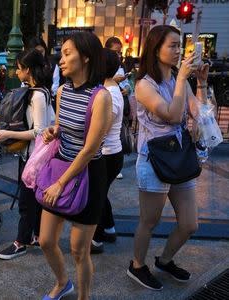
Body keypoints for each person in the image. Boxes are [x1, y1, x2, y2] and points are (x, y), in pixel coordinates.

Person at [127, 25, 209, 291]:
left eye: (179, 45)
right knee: (149, 221)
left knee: (189, 224)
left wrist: (203, 83)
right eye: (172, 45)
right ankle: (137, 265)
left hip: (180, 157)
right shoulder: (143, 86)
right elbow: (173, 115)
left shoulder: (177, 79)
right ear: (155, 48)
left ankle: (164, 260)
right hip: (154, 160)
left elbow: (201, 114)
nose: (178, 51)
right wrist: (183, 80)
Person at [40, 32, 112, 300]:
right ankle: (62, 283)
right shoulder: (61, 91)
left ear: (86, 57)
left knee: (78, 250)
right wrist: (53, 132)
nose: (61, 58)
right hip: (60, 167)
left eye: (68, 53)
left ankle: (84, 297)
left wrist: (61, 184)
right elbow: (62, 127)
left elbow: (90, 149)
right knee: (46, 240)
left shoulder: (101, 96)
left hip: (88, 175)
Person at [0, 49, 54, 260]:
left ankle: (21, 242)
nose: (16, 73)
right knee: (32, 199)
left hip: (35, 158)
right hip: (34, 156)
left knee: (27, 202)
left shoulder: (37, 95)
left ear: (27, 70)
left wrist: (7, 133)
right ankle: (35, 236)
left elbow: (39, 130)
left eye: (18, 69)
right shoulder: (37, 90)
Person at [91, 49, 125, 254]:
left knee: (95, 196)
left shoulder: (109, 94)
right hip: (112, 153)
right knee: (101, 194)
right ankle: (109, 229)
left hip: (107, 153)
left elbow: (102, 129)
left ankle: (95, 239)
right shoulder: (111, 89)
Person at [105, 37, 131, 180]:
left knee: (118, 132)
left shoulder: (121, 66)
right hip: (106, 152)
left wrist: (127, 88)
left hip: (109, 152)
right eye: (115, 52)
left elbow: (128, 84)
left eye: (120, 53)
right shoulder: (105, 84)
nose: (118, 56)